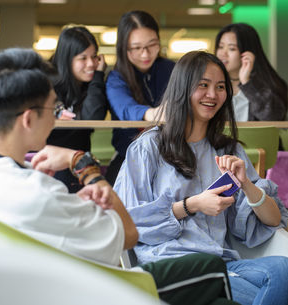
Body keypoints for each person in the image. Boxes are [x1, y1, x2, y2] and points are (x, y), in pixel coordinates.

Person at [0, 48, 240, 305]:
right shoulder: (41, 193)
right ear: (28, 119)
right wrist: (83, 164)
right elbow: (128, 233)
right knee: (212, 268)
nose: (57, 118)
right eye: (55, 108)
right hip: (99, 292)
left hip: (37, 289)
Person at [114, 51, 288, 305]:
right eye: (203, 85)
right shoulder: (148, 148)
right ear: (183, 89)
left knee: (284, 272)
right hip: (174, 267)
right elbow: (127, 221)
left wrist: (248, 185)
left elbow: (273, 221)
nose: (213, 95)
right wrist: (192, 205)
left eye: (220, 87)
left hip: (223, 264)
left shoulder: (230, 151)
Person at [105, 10, 175, 185]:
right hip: (128, 158)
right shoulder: (116, 78)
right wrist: (154, 114)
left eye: (152, 45)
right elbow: (126, 109)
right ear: (124, 48)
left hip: (171, 158)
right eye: (136, 48)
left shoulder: (172, 69)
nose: (145, 54)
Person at [47, 25, 108, 192]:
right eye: (83, 58)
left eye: (94, 57)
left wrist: (98, 76)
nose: (91, 64)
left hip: (79, 168)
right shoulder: (46, 86)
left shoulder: (93, 85)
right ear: (67, 59)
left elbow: (93, 118)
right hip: (48, 168)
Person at [215, 23, 288, 122]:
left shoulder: (265, 84)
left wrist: (247, 83)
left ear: (246, 53)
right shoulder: (213, 83)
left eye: (232, 48)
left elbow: (273, 117)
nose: (223, 53)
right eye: (220, 47)